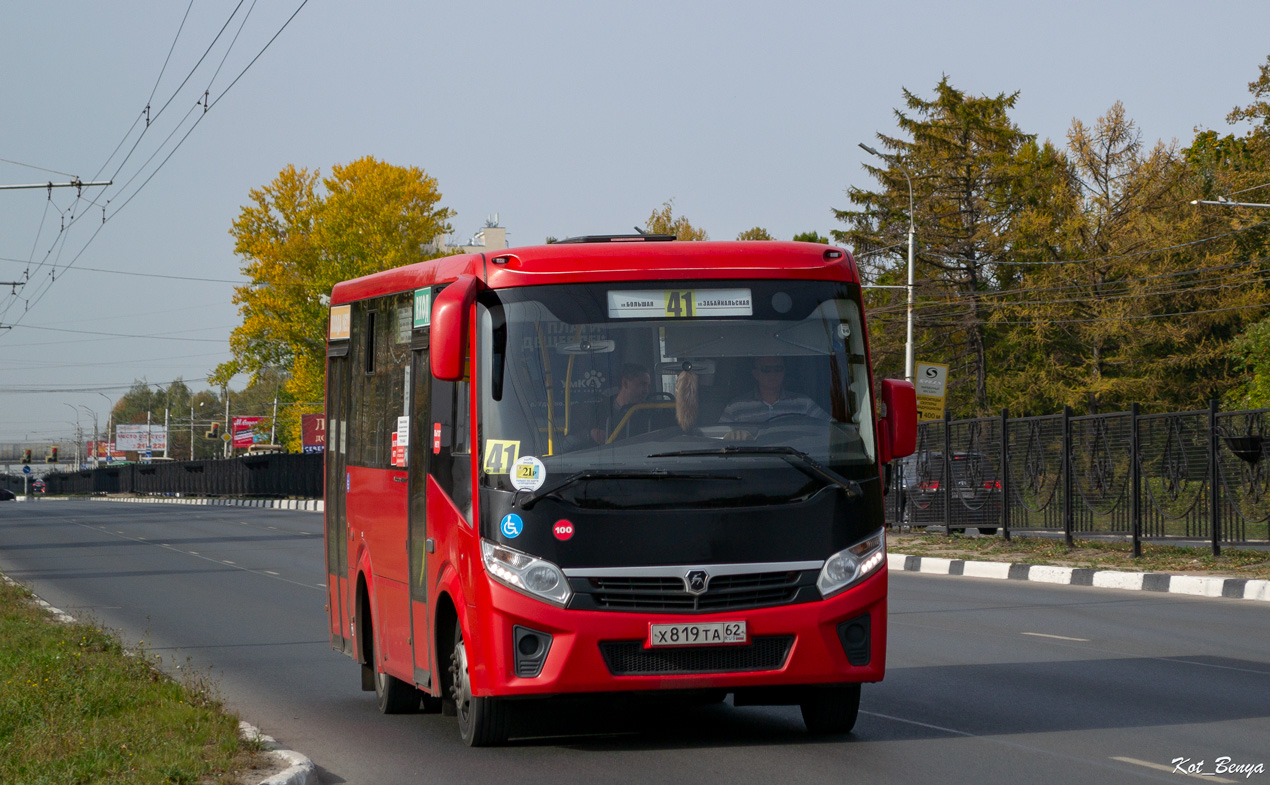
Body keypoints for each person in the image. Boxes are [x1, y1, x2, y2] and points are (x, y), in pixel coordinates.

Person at [719, 356, 829, 424]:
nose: (773, 374)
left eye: (778, 368)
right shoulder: (735, 407)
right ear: (755, 374)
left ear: (784, 372)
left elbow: (832, 430)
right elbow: (721, 441)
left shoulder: (804, 403)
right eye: (766, 369)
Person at [589, 363, 652, 444]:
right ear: (625, 383)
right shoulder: (598, 411)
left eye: (648, 386)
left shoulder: (652, 411)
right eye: (642, 384)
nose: (646, 390)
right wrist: (591, 433)